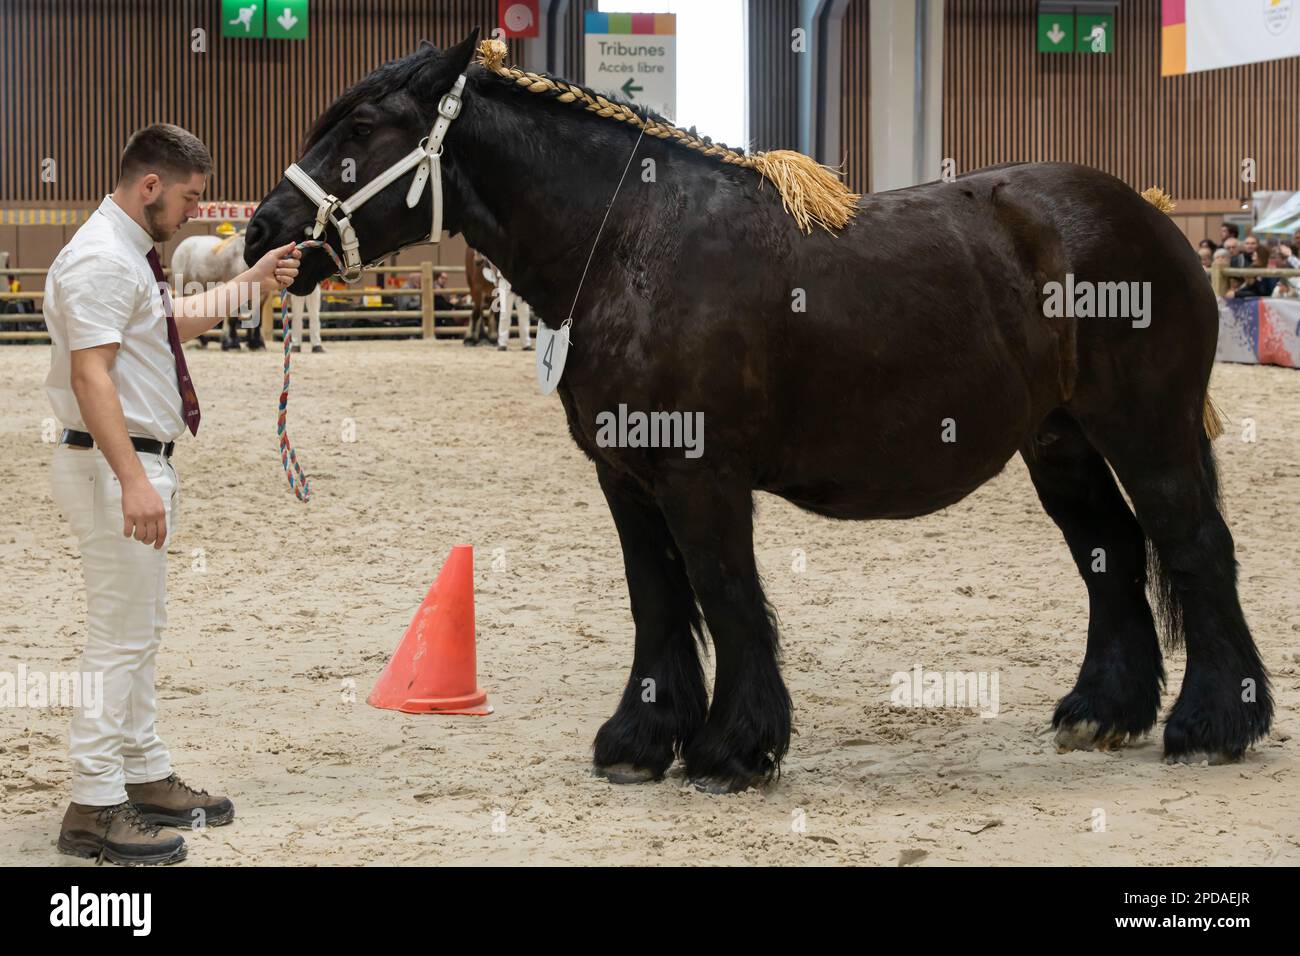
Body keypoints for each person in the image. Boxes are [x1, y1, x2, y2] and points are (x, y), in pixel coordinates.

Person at [43, 123, 301, 866]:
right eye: (189, 197)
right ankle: (93, 804)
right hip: (114, 464)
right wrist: (130, 479)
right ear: (149, 186)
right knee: (118, 640)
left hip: (132, 461)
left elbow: (169, 328)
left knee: (139, 632)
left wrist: (250, 281)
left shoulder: (126, 252)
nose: (195, 211)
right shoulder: (98, 257)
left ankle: (142, 772)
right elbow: (92, 376)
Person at [494, 270, 534, 351]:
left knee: (524, 313)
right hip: (505, 279)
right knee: (504, 314)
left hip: (522, 279)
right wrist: (495, 277)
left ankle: (526, 343)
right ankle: (502, 343)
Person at [289, 287, 323, 353]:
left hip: (314, 283)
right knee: (296, 315)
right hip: (297, 285)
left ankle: (316, 344)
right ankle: (296, 344)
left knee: (315, 315)